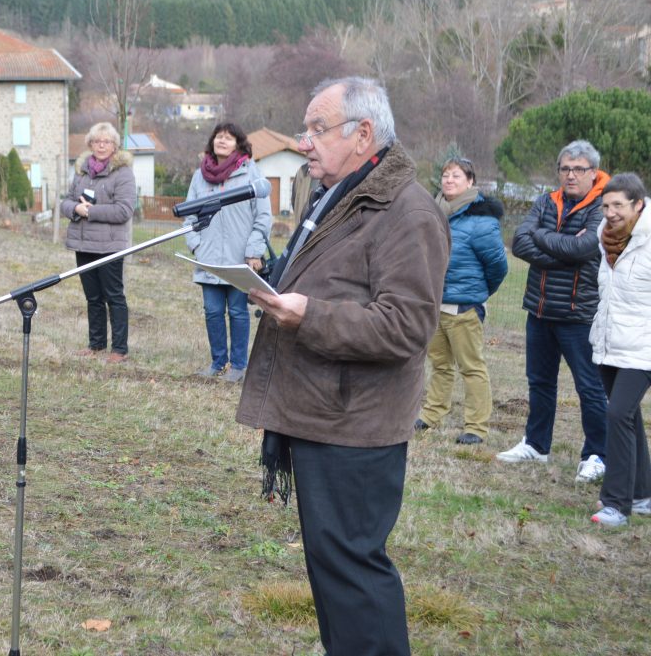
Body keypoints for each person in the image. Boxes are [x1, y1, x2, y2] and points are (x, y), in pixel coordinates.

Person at [238, 77, 450, 656]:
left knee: (353, 570)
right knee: (331, 568)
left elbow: (407, 327)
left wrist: (308, 315)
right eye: (305, 129)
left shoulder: (407, 212)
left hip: (356, 424)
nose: (304, 142)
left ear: (363, 134)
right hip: (318, 411)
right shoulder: (335, 191)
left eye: (316, 129)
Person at [497, 140, 608, 483]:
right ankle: (536, 444)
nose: (571, 175)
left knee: (589, 388)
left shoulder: (602, 205)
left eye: (578, 169)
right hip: (540, 310)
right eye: (565, 169)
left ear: (593, 172)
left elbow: (585, 248)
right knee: (540, 382)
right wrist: (566, 251)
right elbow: (520, 242)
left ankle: (596, 454)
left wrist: (544, 238)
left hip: (578, 315)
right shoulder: (546, 200)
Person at [415, 157, 508, 444]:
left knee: (471, 367)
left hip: (463, 308)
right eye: (445, 175)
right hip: (434, 305)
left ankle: (476, 427)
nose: (449, 180)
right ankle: (432, 414)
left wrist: (476, 294)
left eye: (456, 175)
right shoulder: (433, 212)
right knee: (439, 365)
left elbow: (498, 267)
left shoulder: (481, 220)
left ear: (470, 182)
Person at [183, 122, 272, 383]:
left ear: (238, 144)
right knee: (212, 312)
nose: (222, 141)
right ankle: (217, 363)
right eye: (218, 137)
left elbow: (263, 217)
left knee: (237, 312)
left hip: (239, 259)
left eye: (229, 138)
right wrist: (196, 245)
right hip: (208, 259)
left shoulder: (251, 173)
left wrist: (254, 251)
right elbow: (188, 215)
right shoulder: (200, 176)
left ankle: (238, 367)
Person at [587, 173, 651, 526]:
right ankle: (643, 494)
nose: (610, 213)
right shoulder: (605, 238)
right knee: (627, 416)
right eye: (606, 205)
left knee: (617, 414)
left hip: (644, 348)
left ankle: (616, 505)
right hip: (610, 343)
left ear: (638, 205)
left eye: (618, 205)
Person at [59, 122, 136, 363]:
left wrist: (89, 212)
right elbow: (66, 202)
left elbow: (124, 210)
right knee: (93, 298)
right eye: (96, 141)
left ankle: (119, 349)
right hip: (84, 245)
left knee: (114, 296)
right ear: (90, 144)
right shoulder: (81, 170)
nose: (101, 145)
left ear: (114, 146)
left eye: (106, 141)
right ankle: (96, 344)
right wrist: (76, 208)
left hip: (110, 246)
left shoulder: (122, 173)